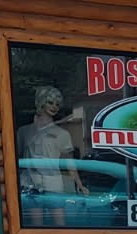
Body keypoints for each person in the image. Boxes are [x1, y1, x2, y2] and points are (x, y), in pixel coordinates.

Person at [15, 85, 86, 225]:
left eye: (57, 104)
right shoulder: (24, 132)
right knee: (36, 226)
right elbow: (17, 158)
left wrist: (79, 184)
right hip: (30, 182)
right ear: (41, 102)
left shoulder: (62, 133)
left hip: (53, 182)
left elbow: (69, 162)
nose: (54, 107)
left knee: (59, 224)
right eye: (50, 102)